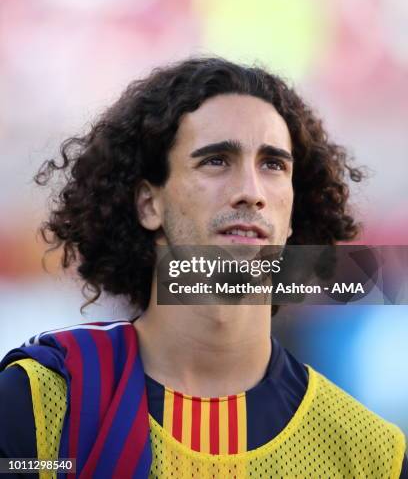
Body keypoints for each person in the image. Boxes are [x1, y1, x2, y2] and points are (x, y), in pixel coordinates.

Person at [0, 57, 406, 478]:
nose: (250, 192)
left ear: (292, 210)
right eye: (216, 161)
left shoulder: (372, 454)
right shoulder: (40, 404)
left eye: (273, 165)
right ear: (148, 203)